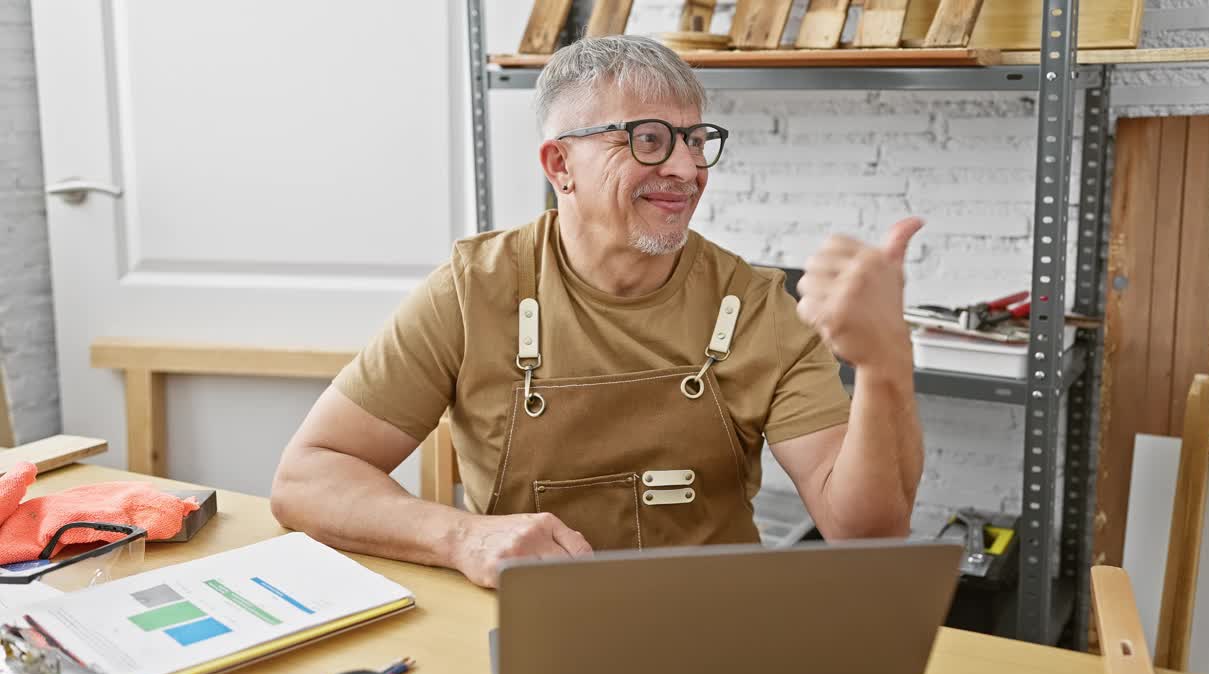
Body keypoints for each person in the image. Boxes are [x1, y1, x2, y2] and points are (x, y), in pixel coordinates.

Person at [271, 35, 924, 589]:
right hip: (529, 629)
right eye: (647, 139)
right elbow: (307, 477)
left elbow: (864, 533)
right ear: (561, 165)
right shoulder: (475, 292)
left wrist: (885, 362)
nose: (686, 167)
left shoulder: (756, 308)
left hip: (717, 633)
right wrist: (460, 537)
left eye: (696, 140)